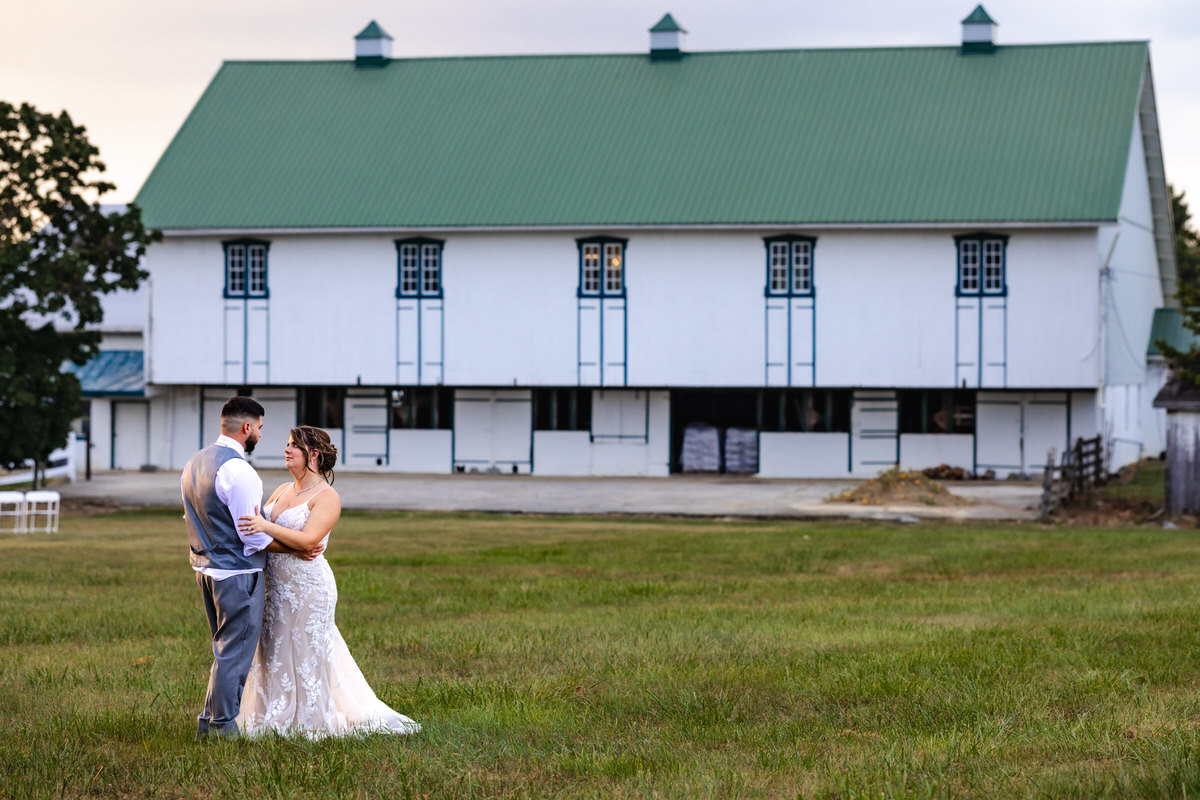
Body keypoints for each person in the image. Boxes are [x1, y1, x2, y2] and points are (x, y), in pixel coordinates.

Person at [235, 425, 420, 738]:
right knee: (272, 649)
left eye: (294, 445)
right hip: (275, 586)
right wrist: (278, 535)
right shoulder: (282, 489)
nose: (286, 450)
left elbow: (308, 540)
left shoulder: (328, 497)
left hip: (308, 588)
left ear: (314, 454)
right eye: (287, 443)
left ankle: (311, 718)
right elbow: (272, 537)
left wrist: (268, 527)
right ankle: (271, 712)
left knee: (306, 652)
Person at [182, 396, 322, 739]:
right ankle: (221, 729)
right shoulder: (239, 471)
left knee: (224, 650)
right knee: (235, 654)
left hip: (205, 569)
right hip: (237, 574)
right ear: (247, 427)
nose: (260, 433)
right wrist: (296, 547)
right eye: (259, 427)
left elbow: (191, 518)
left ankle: (209, 723)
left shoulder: (194, 463)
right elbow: (253, 537)